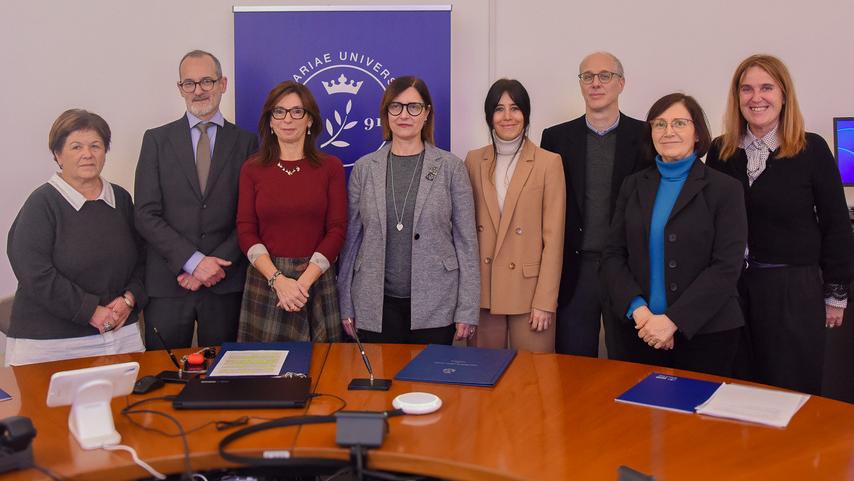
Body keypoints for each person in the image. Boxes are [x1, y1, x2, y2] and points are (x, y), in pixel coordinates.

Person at [706, 54, 854, 394]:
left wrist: (835, 294)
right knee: (739, 387)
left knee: (791, 388)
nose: (756, 98)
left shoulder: (811, 148)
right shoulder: (721, 151)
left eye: (766, 88)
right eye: (747, 89)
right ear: (737, 97)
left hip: (793, 289)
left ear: (784, 95)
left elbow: (836, 225)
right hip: (736, 289)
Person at [600, 94, 747, 376]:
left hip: (706, 335)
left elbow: (726, 267)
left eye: (679, 123)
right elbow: (613, 254)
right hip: (638, 332)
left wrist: (672, 321)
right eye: (660, 124)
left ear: (697, 133)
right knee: (635, 418)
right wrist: (640, 312)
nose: (669, 131)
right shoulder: (633, 185)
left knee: (695, 419)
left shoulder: (725, 189)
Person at [337, 76, 479, 344]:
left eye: (414, 107)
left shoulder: (451, 168)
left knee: (429, 384)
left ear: (426, 113)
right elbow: (351, 241)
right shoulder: (365, 169)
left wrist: (468, 309)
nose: (404, 115)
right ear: (386, 114)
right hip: (374, 304)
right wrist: (346, 302)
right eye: (396, 107)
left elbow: (467, 242)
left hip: (438, 303)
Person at [134, 50, 258, 349]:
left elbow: (249, 215)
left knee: (223, 380)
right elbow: (145, 214)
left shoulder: (247, 143)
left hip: (224, 284)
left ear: (222, 84)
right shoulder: (156, 140)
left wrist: (211, 268)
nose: (199, 90)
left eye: (206, 81)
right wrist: (193, 263)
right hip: (169, 283)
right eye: (189, 83)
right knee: (163, 378)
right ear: (180, 89)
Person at [5, 109, 147, 365]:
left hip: (119, 336)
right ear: (58, 155)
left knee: (127, 405)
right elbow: (33, 272)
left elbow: (144, 257)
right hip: (50, 345)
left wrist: (129, 298)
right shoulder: (42, 203)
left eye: (96, 146)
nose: (87, 154)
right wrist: (89, 311)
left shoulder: (121, 199)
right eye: (76, 147)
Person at [540, 51, 652, 358]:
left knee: (628, 362)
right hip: (576, 270)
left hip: (627, 269)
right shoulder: (556, 139)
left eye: (605, 76)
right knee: (573, 367)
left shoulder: (646, 136)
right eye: (587, 76)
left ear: (621, 83)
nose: (596, 83)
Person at [236, 81, 347, 342]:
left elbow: (337, 229)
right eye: (279, 112)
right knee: (263, 376)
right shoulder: (252, 169)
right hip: (267, 281)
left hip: (315, 280)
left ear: (309, 120)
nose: (288, 119)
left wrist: (302, 284)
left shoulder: (330, 167)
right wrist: (278, 281)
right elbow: (245, 230)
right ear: (270, 122)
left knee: (321, 374)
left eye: (297, 112)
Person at [464, 79, 565, 352]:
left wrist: (545, 301)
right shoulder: (473, 160)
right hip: (485, 291)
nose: (507, 116)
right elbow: (465, 232)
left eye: (515, 108)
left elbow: (554, 240)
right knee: (483, 380)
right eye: (499, 109)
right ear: (489, 116)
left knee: (532, 382)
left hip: (530, 293)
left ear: (526, 114)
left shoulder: (548, 162)